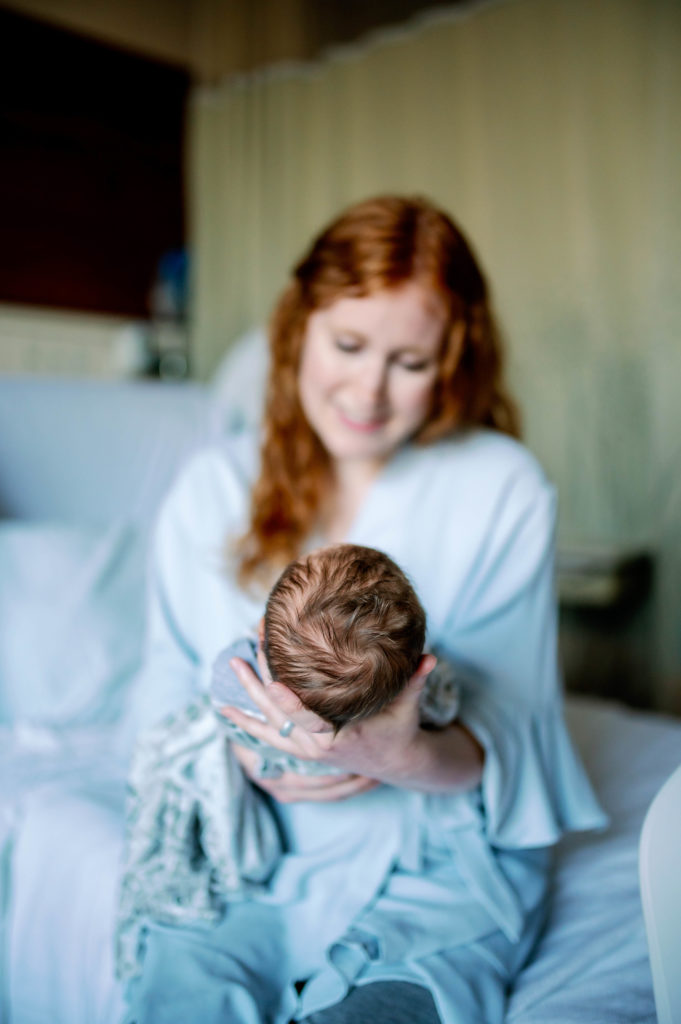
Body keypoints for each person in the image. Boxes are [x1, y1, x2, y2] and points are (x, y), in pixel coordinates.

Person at [122, 194, 607, 1024]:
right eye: (347, 345)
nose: (368, 390)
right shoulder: (213, 487)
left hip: (437, 866)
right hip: (246, 858)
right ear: (297, 328)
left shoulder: (499, 486)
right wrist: (234, 754)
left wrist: (394, 753)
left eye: (409, 362)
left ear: (452, 361)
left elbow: (514, 736)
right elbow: (165, 684)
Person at [210, 542, 460, 776]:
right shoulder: (422, 696)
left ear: (262, 629)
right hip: (355, 774)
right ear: (414, 668)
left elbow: (224, 717)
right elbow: (447, 708)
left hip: (283, 770)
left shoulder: (236, 672)